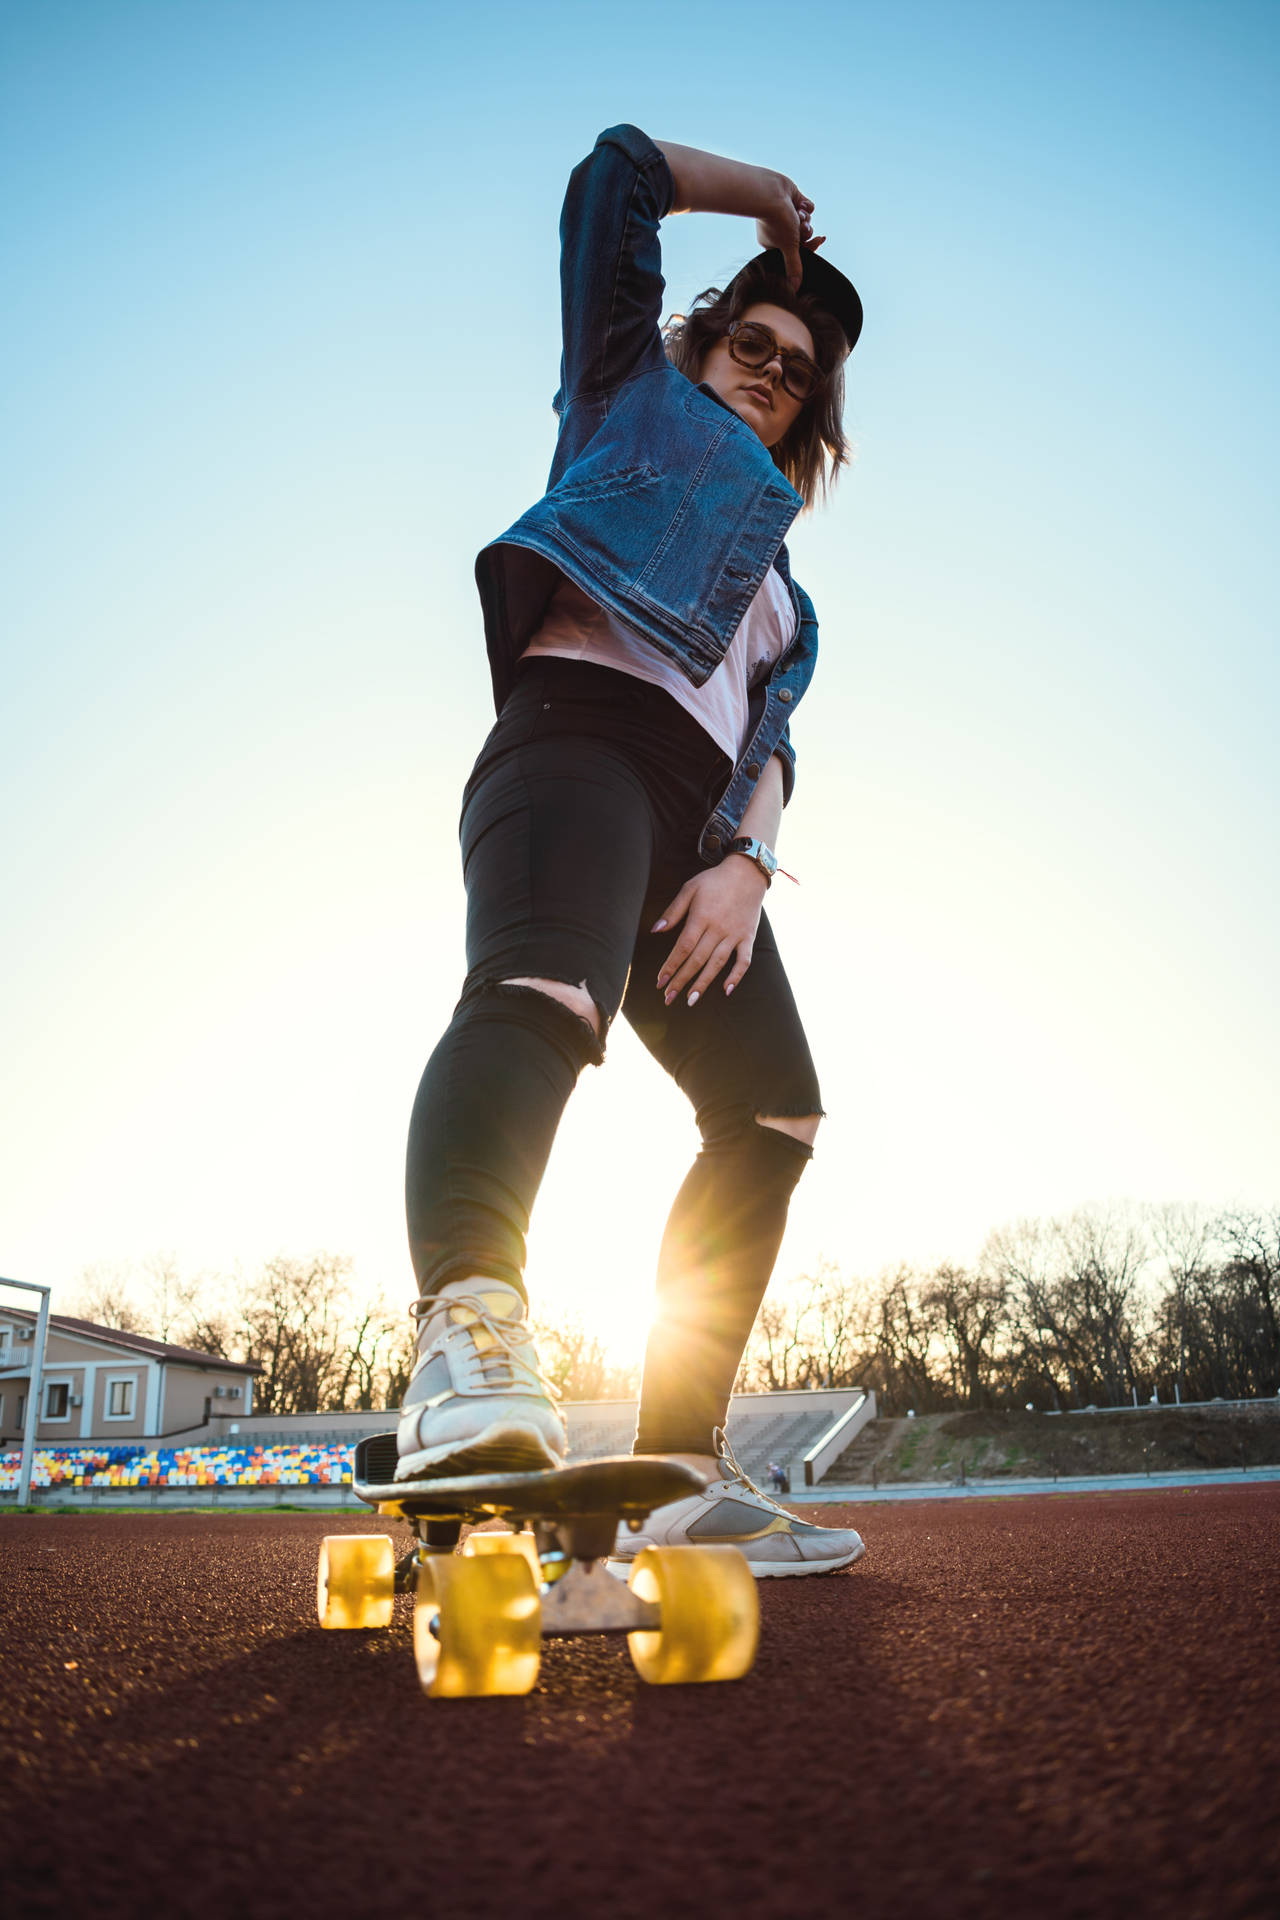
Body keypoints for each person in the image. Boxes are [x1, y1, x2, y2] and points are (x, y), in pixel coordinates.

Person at [397, 125, 865, 1577]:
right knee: (549, 999)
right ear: (708, 336)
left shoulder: (787, 598)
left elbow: (774, 745)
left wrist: (742, 864)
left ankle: (677, 1466)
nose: (772, 369)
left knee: (774, 1117)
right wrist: (764, 202)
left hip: (700, 840)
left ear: (810, 420)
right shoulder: (628, 397)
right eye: (756, 341)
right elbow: (612, 177)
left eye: (798, 371)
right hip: (576, 744)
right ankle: (467, 1344)